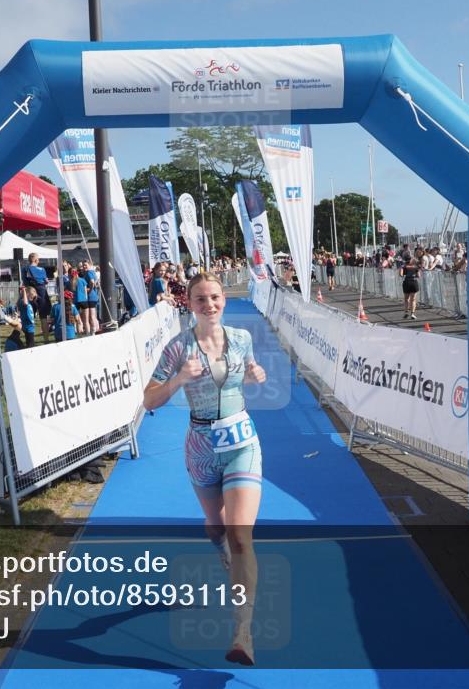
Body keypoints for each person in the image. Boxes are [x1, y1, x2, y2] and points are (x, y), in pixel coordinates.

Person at [142, 272, 267, 666]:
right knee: (216, 527)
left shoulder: (242, 338)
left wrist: (254, 373)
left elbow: (249, 366)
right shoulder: (177, 347)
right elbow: (149, 400)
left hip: (242, 442)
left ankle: (242, 632)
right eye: (200, 299)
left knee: (240, 536)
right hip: (200, 446)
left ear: (224, 301)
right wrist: (180, 378)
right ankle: (219, 548)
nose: (209, 304)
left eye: (214, 297)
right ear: (189, 303)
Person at [23, 253, 51, 342]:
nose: (39, 261)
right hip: (42, 292)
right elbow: (46, 281)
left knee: (29, 316)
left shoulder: (25, 269)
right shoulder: (42, 269)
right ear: (35, 260)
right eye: (38, 259)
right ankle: (46, 340)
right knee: (43, 317)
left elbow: (24, 281)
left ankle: (29, 340)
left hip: (31, 292)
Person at [401, 252, 420, 319]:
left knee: (406, 299)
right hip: (413, 282)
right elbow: (419, 276)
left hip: (406, 282)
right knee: (413, 299)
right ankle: (412, 313)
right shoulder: (415, 267)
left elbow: (401, 274)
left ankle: (406, 312)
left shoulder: (403, 266)